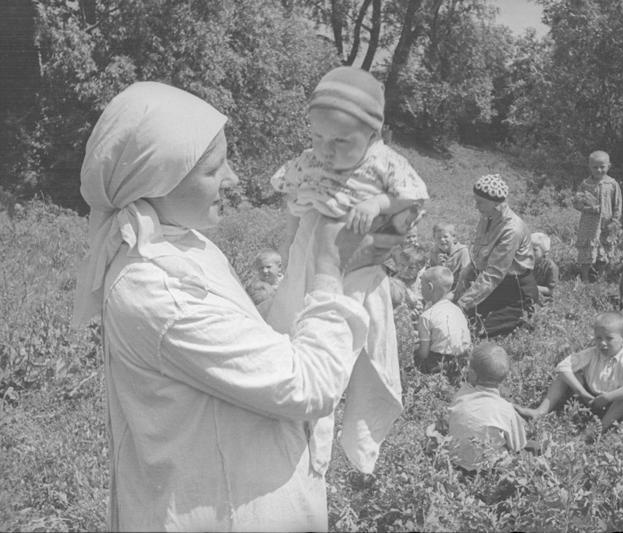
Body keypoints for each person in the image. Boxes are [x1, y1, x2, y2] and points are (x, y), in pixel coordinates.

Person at [71, 81, 404, 531]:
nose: (232, 178)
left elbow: (246, 343)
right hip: (228, 509)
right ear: (155, 179)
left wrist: (299, 257)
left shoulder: (183, 245)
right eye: (213, 169)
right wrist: (328, 267)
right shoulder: (160, 292)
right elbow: (309, 387)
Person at [268, 66, 429, 475]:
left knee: (352, 348)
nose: (326, 149)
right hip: (310, 258)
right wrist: (289, 244)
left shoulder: (383, 162)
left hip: (356, 262)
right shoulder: (308, 162)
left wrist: (377, 205)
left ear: (373, 135)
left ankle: (345, 436)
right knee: (296, 336)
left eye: (341, 141)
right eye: (318, 137)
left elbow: (411, 197)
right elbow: (292, 201)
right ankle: (303, 432)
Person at [516, 312, 623, 441]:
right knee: (564, 376)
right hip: (588, 396)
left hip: (612, 401)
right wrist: (581, 391)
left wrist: (608, 397)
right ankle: (540, 411)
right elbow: (562, 366)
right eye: (598, 338)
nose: (602, 343)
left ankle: (598, 428)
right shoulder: (593, 353)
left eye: (609, 338)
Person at [455, 174, 537, 337]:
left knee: (478, 332)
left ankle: (524, 317)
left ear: (495, 203)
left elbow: (493, 274)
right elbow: (477, 261)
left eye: (480, 202)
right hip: (493, 287)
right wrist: (459, 292)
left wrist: (461, 304)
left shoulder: (512, 230)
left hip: (515, 291)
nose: (476, 206)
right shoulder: (487, 217)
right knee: (463, 321)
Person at [447, 342, 527, 471]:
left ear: (472, 374)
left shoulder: (461, 394)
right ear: (504, 378)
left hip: (455, 463)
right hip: (490, 469)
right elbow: (517, 446)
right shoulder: (506, 409)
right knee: (530, 449)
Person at [414, 266, 472, 381]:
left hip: (438, 362)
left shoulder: (426, 316)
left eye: (422, 285)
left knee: (414, 352)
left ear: (430, 287)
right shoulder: (457, 309)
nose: (420, 288)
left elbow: (424, 354)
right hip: (463, 359)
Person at [574, 150, 622, 282]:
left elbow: (617, 204)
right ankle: (585, 277)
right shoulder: (585, 184)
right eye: (595, 167)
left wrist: (615, 220)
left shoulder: (612, 184)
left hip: (606, 223)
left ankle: (600, 276)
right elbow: (577, 203)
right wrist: (588, 208)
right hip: (589, 223)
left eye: (602, 167)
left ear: (609, 166)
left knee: (604, 249)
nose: (599, 170)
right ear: (589, 167)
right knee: (588, 248)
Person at [429, 222, 471, 290]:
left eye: (445, 236)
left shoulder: (462, 251)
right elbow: (431, 277)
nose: (442, 240)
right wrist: (439, 266)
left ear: (453, 237)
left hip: (457, 287)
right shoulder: (434, 252)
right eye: (438, 237)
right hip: (440, 288)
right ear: (434, 238)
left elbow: (465, 276)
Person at [245, 248, 283, 315]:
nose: (265, 271)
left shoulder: (285, 283)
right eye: (261, 268)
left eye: (268, 267)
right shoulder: (255, 283)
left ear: (279, 267)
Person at [530, 232, 559, 304]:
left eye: (534, 250)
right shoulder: (526, 262)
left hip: (543, 297)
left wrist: (534, 287)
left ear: (544, 252)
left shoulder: (550, 267)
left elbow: (550, 290)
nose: (530, 252)